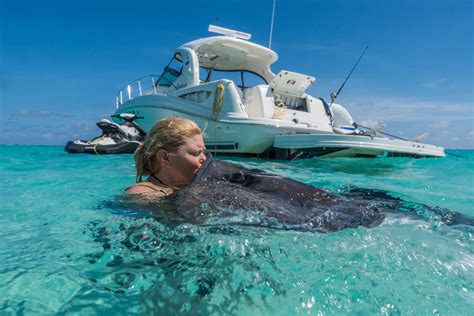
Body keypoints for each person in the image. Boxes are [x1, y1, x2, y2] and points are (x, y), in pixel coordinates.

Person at [125, 117, 207, 198]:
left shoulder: (187, 186)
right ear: (165, 158)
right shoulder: (140, 196)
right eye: (196, 153)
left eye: (204, 152)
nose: (205, 159)